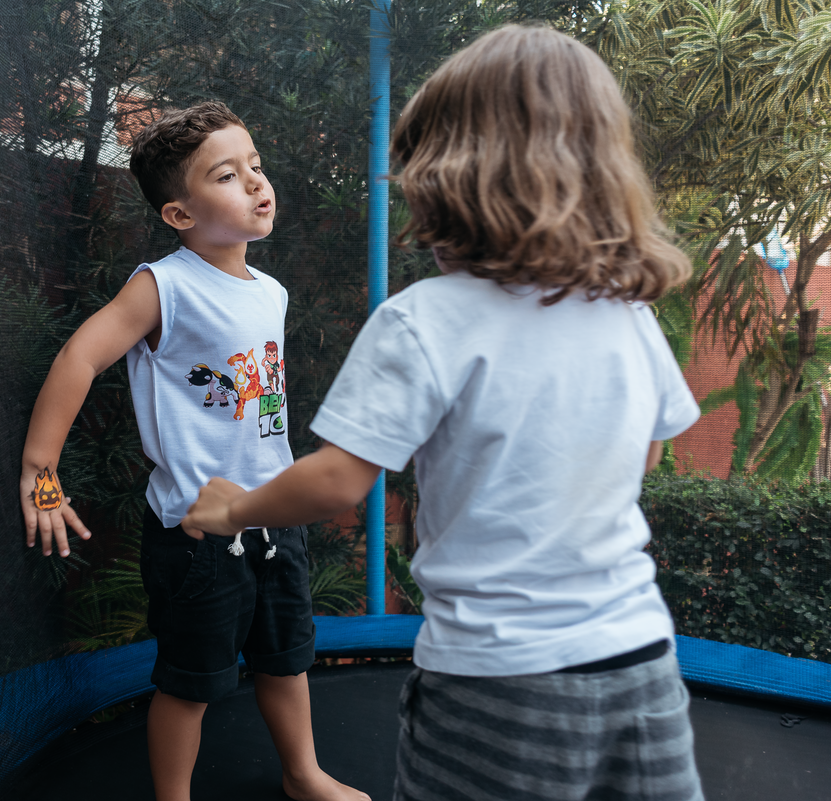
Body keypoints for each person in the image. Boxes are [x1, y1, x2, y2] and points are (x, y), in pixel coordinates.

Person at [182, 25, 704, 801]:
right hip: (640, 663)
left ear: (443, 176)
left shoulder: (426, 318)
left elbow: (334, 483)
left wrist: (235, 508)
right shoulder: (624, 313)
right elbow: (648, 453)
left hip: (499, 681)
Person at [18, 101, 369, 801]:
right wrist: (40, 468)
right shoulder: (163, 286)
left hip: (273, 517)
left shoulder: (271, 291)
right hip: (197, 533)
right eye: (229, 175)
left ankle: (302, 773)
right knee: (190, 680)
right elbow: (81, 356)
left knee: (286, 658)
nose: (257, 183)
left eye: (257, 167)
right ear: (180, 214)